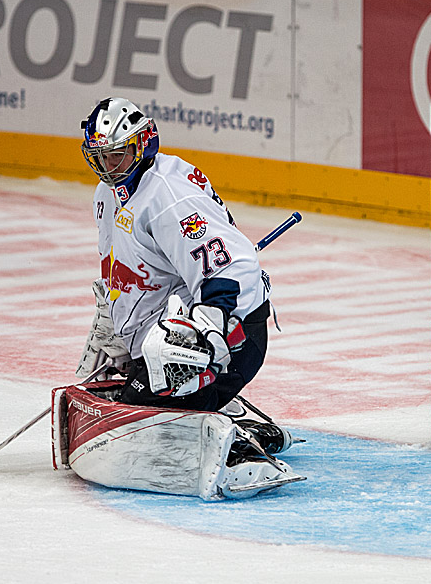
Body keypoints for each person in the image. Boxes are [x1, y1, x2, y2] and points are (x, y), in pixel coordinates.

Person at [75, 96, 290, 457]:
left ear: (143, 145)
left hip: (230, 338)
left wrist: (208, 333)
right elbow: (121, 271)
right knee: (125, 412)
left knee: (134, 429)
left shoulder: (169, 197)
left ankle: (233, 433)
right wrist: (116, 328)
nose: (108, 168)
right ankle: (214, 410)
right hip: (164, 339)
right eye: (100, 157)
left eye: (117, 156)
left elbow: (232, 267)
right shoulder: (108, 194)